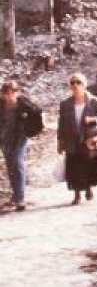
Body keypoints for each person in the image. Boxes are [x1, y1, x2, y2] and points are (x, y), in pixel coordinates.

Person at [57, 73, 97, 205]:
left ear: (84, 85)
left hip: (89, 138)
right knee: (73, 167)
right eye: (72, 83)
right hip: (71, 139)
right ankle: (77, 194)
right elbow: (61, 123)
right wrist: (60, 141)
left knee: (88, 165)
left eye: (78, 82)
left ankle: (89, 188)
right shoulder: (65, 104)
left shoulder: (95, 101)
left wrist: (93, 119)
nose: (75, 85)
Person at [1, 80, 41, 211]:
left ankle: (20, 198)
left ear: (16, 92)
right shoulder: (1, 105)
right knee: (10, 165)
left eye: (10, 93)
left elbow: (37, 112)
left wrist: (30, 130)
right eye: (4, 93)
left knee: (18, 163)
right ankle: (16, 194)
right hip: (5, 139)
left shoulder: (24, 103)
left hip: (20, 138)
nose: (7, 96)